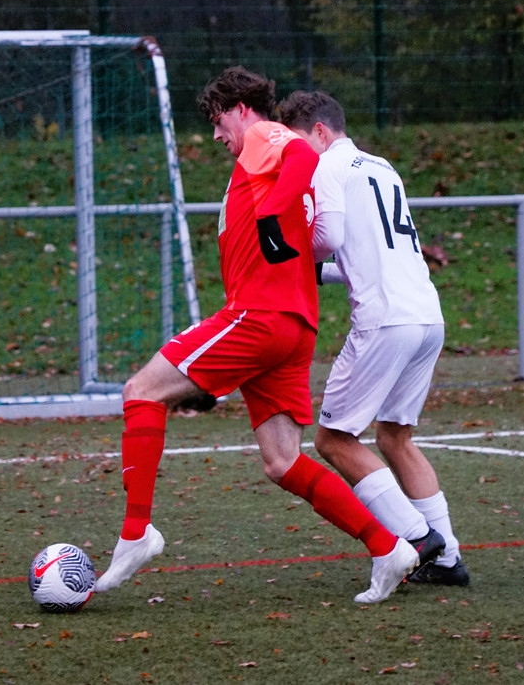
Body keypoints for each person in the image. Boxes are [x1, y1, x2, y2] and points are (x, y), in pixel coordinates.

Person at [95, 67, 439, 603]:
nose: (216, 135)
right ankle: (388, 548)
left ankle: (136, 533)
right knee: (282, 461)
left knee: (141, 391)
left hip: (260, 317)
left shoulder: (264, 135)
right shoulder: (260, 163)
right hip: (292, 327)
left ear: (241, 109)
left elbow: (303, 156)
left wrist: (274, 218)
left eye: (218, 121)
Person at [279, 90, 469, 586]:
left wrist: (289, 251)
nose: (294, 153)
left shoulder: (325, 166)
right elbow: (367, 255)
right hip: (426, 315)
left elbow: (328, 239)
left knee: (333, 439)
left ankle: (418, 538)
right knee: (394, 437)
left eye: (297, 140)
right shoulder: (382, 166)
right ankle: (448, 560)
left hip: (385, 320)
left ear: (320, 131)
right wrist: (317, 273)